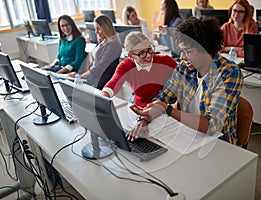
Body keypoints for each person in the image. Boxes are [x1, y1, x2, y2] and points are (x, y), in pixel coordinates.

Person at [127, 17, 243, 145]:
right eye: (180, 51)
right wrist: (144, 119)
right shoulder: (184, 68)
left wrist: (168, 110)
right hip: (186, 136)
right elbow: (162, 98)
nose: (182, 57)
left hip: (219, 144)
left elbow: (211, 125)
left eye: (187, 51)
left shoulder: (229, 73)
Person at [101, 31, 177, 108]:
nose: (148, 55)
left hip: (163, 107)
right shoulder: (126, 65)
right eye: (142, 53)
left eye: (149, 49)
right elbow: (114, 83)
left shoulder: (166, 61)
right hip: (140, 107)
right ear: (130, 56)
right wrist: (103, 97)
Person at [69, 15, 122, 89]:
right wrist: (79, 75)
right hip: (94, 77)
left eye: (98, 29)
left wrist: (80, 76)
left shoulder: (113, 45)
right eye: (95, 29)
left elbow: (99, 67)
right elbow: (94, 64)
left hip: (101, 80)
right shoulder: (103, 41)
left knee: (74, 86)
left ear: (105, 28)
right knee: (69, 82)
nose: (96, 32)